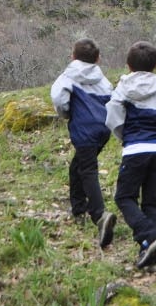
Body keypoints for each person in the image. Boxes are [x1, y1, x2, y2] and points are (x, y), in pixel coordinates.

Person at [105, 41, 156, 269]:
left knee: (124, 197)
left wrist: (126, 137)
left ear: (128, 65)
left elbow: (112, 118)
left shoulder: (121, 90)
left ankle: (149, 236)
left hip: (135, 150)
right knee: (151, 200)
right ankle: (150, 253)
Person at [50, 38, 117, 248]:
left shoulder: (67, 77)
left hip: (84, 130)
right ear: (98, 59)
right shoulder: (103, 79)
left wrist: (68, 114)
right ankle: (78, 208)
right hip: (103, 128)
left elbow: (59, 100)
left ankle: (99, 215)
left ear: (72, 56)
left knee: (87, 169)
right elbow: (113, 98)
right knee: (77, 166)